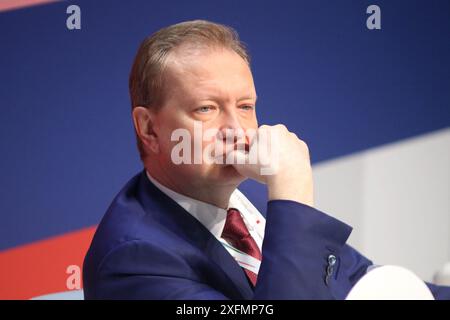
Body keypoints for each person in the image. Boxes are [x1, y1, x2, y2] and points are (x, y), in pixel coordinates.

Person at [83, 20, 450, 299]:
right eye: (207, 109)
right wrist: (292, 187)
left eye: (245, 107)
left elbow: (359, 281)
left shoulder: (248, 201)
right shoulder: (132, 261)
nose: (237, 131)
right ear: (148, 128)